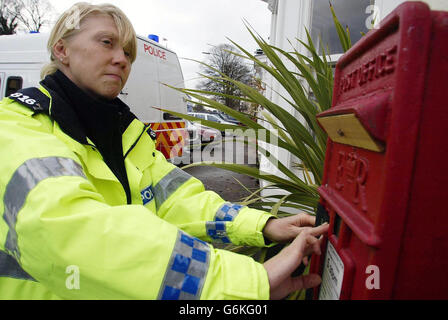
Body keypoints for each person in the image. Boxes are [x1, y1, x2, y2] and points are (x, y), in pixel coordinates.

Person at [0, 2, 328, 300]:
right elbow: (69, 231)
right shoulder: (15, 125)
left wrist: (262, 226)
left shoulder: (125, 134)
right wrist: (243, 280)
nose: (122, 59)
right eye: (106, 42)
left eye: (128, 52)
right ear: (62, 49)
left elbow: (180, 201)